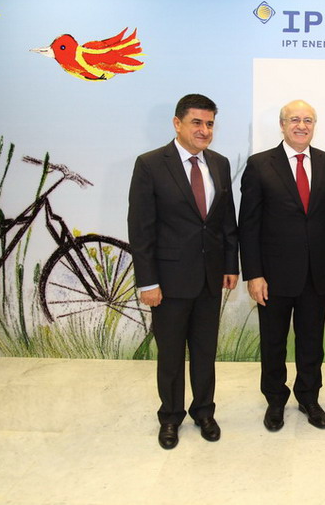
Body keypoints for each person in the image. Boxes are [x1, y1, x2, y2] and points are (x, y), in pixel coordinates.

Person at [127, 93, 239, 449]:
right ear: (177, 124)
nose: (204, 130)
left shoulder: (219, 163)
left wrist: (230, 265)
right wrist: (147, 281)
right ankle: (171, 417)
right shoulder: (150, 164)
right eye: (196, 122)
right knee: (171, 355)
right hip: (169, 280)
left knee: (205, 352)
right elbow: (141, 228)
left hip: (210, 277)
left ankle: (204, 411)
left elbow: (226, 220)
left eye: (209, 124)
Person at [239, 99, 325, 431]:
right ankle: (275, 400)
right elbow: (248, 224)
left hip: (317, 273)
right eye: (294, 119)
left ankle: (309, 398)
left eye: (308, 120)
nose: (301, 125)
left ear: (314, 126)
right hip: (273, 276)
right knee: (273, 343)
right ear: (282, 125)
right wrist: (254, 274)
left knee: (312, 343)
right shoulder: (259, 164)